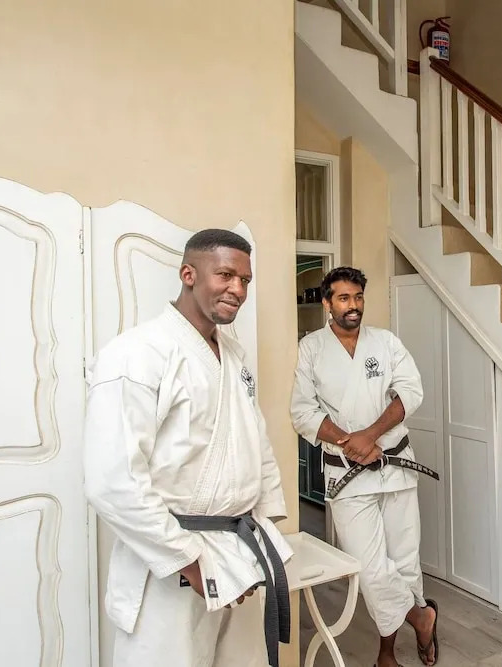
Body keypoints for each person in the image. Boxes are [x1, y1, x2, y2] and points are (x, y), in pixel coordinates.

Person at [83, 229, 292, 667]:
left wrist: (264, 530)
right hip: (172, 560)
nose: (238, 290)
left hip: (236, 552)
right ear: (188, 274)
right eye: (225, 275)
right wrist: (190, 562)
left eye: (245, 280)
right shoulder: (136, 354)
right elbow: (113, 480)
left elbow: (257, 444)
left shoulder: (233, 356)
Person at [290, 266, 440, 667]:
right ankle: (421, 617)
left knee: (405, 563)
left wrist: (371, 434)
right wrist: (349, 441)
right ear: (327, 303)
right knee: (370, 568)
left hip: (395, 466)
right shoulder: (312, 348)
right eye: (343, 298)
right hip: (346, 475)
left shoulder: (385, 342)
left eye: (357, 297)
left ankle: (386, 653)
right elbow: (303, 411)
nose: (352, 305)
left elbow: (411, 391)